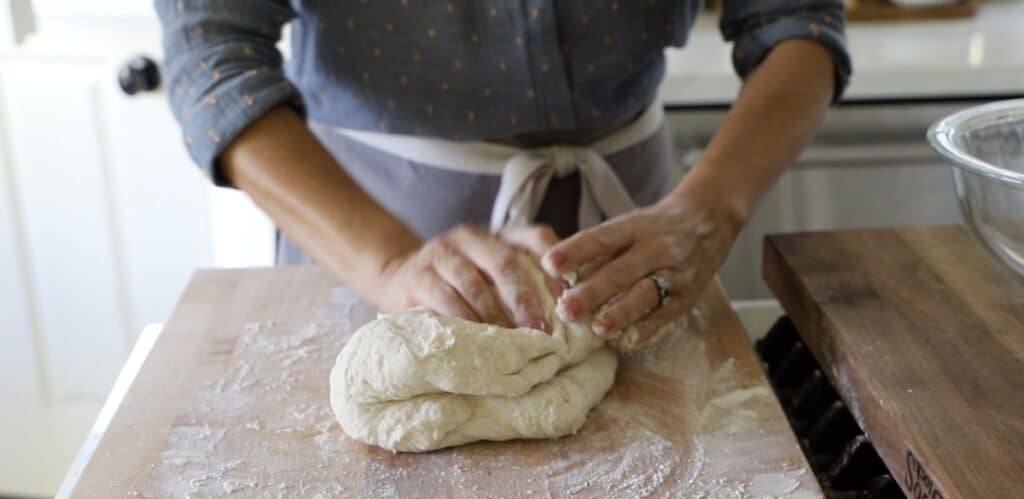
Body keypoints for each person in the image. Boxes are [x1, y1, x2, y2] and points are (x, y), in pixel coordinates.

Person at [156, 1, 849, 344]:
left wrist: (711, 209)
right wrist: (393, 264)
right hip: (361, 240)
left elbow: (799, 21)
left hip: (641, 239)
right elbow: (213, 63)